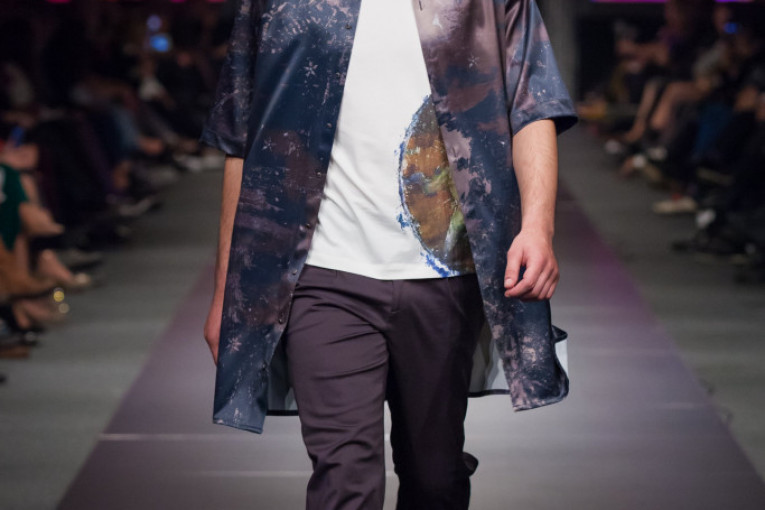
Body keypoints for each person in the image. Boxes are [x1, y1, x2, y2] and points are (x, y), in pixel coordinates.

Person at [200, 0, 578, 508]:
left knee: (434, 479)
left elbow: (532, 105)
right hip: (322, 273)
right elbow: (243, 137)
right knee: (344, 481)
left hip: (446, 272)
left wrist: (538, 226)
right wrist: (228, 291)